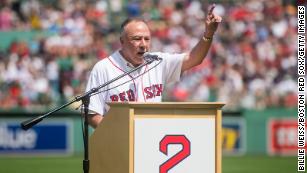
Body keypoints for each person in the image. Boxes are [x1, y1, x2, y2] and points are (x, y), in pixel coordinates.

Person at [85, 5, 222, 128]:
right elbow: (92, 114)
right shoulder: (103, 68)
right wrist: (120, 135)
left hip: (153, 141)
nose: (143, 44)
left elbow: (194, 59)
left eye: (147, 39)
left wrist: (208, 34)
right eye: (137, 39)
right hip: (120, 146)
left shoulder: (157, 61)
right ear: (122, 41)